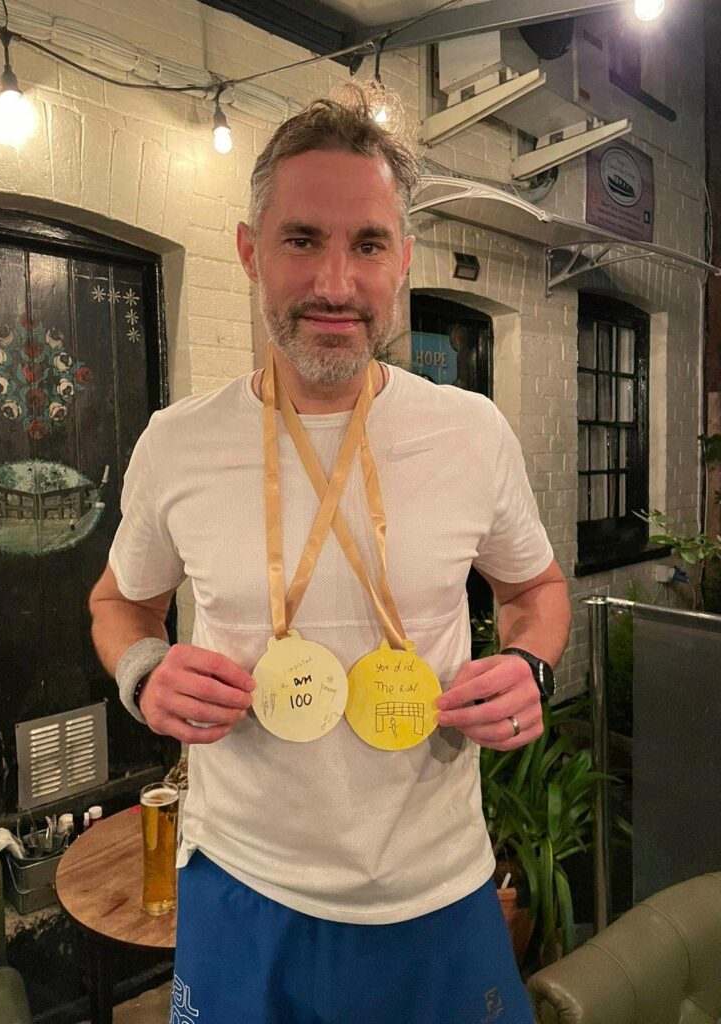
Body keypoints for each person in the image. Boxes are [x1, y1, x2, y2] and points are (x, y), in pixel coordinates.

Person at [89, 94, 571, 1024]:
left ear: (403, 260)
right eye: (302, 240)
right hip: (242, 884)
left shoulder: (471, 433)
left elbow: (537, 588)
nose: (336, 285)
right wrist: (144, 669)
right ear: (248, 250)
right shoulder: (177, 441)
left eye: (369, 245)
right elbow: (120, 603)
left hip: (438, 888)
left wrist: (529, 666)